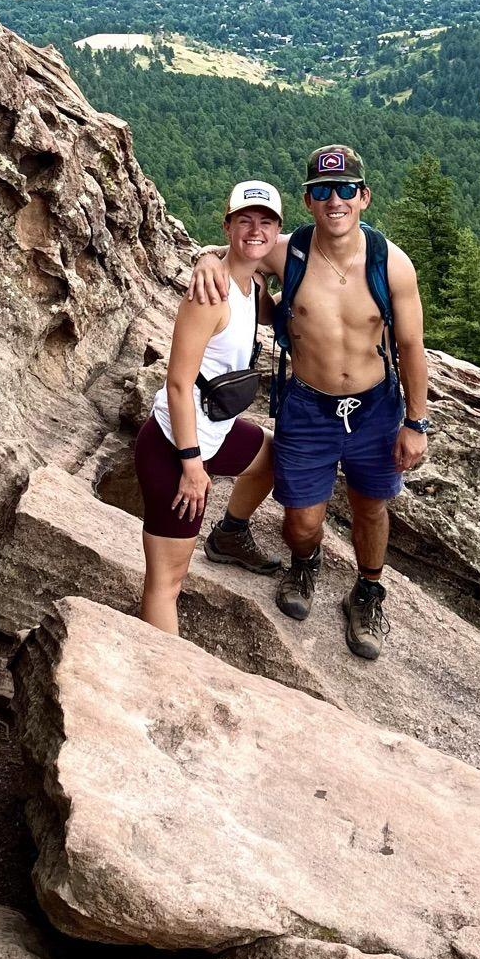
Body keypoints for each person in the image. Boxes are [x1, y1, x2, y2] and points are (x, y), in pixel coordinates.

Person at [189, 144, 431, 660]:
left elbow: (411, 345)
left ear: (364, 196)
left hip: (375, 407)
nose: (335, 200)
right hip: (307, 405)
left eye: (346, 189)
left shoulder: (391, 264)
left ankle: (367, 590)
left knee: (371, 507)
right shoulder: (287, 251)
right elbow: (234, 248)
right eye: (323, 191)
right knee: (301, 520)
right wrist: (205, 260)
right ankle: (305, 560)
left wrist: (417, 422)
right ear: (308, 200)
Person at [135, 179, 288, 634]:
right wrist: (191, 464)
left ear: (277, 231)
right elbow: (179, 383)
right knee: (167, 581)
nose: (255, 230)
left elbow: (265, 314)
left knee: (271, 457)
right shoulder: (210, 294)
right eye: (245, 221)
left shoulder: (251, 283)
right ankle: (162, 676)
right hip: (175, 447)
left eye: (265, 222)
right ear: (228, 225)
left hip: (215, 432)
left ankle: (231, 535)